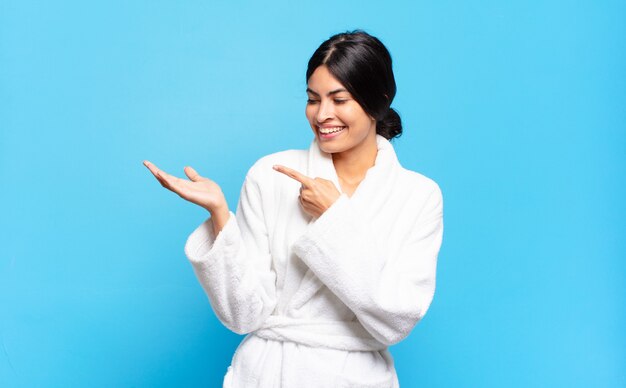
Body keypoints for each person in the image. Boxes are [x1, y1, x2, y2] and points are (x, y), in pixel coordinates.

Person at [144, 30, 443, 388]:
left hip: (357, 378)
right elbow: (244, 315)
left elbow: (397, 318)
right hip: (268, 373)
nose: (322, 114)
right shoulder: (270, 176)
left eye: (339, 99)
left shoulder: (418, 196)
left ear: (378, 100)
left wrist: (334, 218)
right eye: (313, 99)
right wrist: (221, 216)